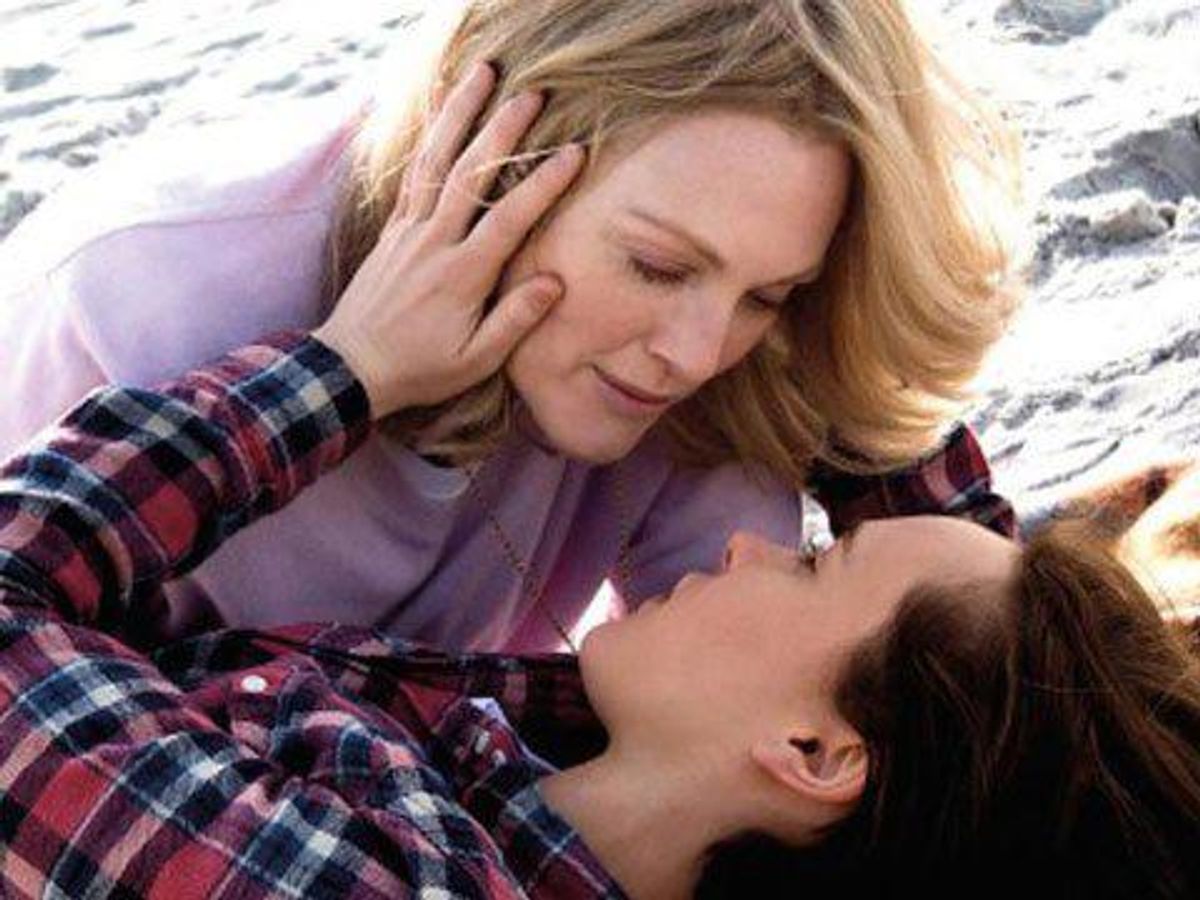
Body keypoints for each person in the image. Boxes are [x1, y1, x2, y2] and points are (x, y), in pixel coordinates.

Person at [0, 325, 1195, 899]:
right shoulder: (566, 771)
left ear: (816, 752)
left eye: (812, 566)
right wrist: (801, 283)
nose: (752, 547)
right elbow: (985, 644)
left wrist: (356, 363)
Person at [0, 0, 1020, 653]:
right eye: (657, 267)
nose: (696, 352)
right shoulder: (134, 301)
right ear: (494, 165)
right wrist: (348, 378)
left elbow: (739, 700)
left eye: (771, 294)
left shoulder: (716, 364)